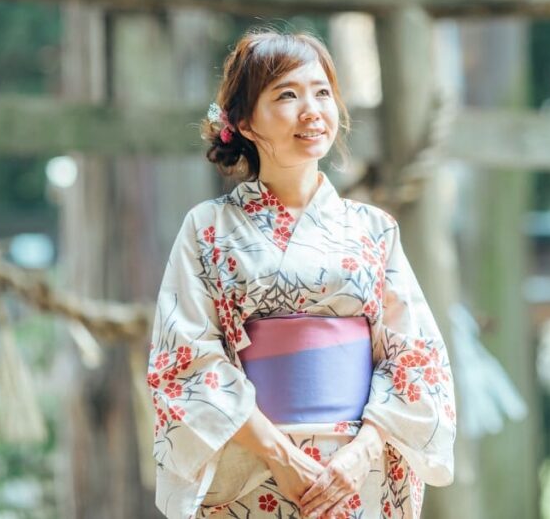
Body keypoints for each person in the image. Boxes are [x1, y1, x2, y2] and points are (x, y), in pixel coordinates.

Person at [146, 30, 456, 519]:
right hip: (252, 466)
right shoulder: (207, 228)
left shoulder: (374, 229)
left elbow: (415, 357)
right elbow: (185, 359)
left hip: (356, 475)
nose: (311, 110)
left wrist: (362, 453)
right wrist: (279, 454)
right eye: (288, 95)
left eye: (323, 93)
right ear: (244, 121)